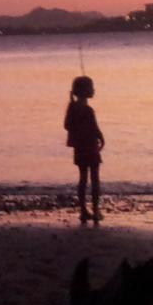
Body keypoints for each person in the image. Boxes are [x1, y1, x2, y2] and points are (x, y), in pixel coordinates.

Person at [64, 76, 105, 224]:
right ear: (85, 91)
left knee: (82, 179)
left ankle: (83, 211)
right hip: (90, 147)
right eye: (91, 88)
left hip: (80, 148)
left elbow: (67, 126)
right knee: (94, 179)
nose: (93, 90)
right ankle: (95, 210)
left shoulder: (72, 108)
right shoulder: (88, 110)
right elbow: (95, 129)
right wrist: (101, 138)